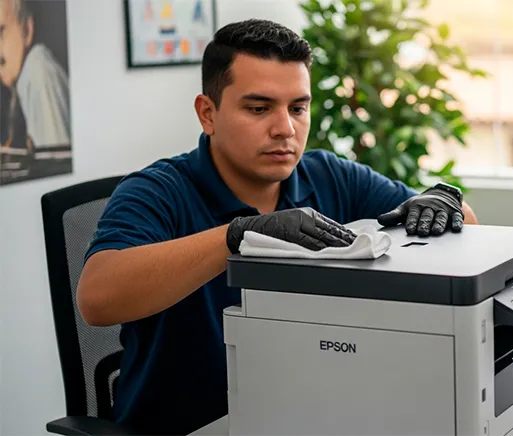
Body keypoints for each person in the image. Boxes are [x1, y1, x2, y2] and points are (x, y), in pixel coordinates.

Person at [77, 19, 478, 435]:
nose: (285, 129)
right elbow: (97, 298)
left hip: (308, 413)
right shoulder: (157, 191)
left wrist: (443, 200)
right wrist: (239, 233)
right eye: (258, 108)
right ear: (207, 113)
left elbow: (465, 222)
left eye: (298, 108)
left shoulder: (328, 175)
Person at [0, 0, 70, 153]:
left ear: (26, 29)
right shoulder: (23, 79)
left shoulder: (37, 69)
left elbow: (55, 162)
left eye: (1, 32)